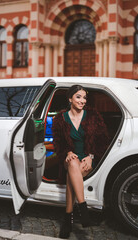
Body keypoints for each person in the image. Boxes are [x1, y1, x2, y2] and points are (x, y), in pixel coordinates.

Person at [52, 85, 108, 239]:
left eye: (84, 97)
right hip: (68, 158)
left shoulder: (93, 116)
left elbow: (102, 140)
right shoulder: (60, 118)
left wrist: (91, 156)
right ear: (70, 99)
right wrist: (67, 152)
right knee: (72, 162)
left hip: (87, 159)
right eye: (78, 97)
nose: (82, 100)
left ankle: (67, 217)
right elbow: (57, 143)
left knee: (72, 175)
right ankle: (83, 207)